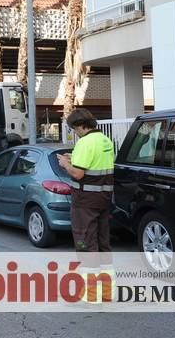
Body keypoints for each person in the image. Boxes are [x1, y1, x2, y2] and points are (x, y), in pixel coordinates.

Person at [57, 108, 115, 303]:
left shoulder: (84, 142)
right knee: (103, 245)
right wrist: (74, 159)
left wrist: (65, 163)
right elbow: (95, 166)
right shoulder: (105, 140)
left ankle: (90, 297)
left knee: (86, 246)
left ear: (80, 125)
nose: (75, 132)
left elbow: (78, 174)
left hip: (85, 202)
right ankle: (107, 292)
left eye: (74, 128)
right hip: (103, 199)